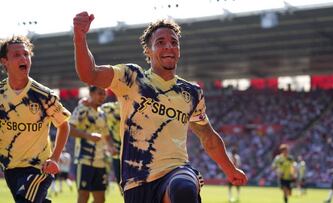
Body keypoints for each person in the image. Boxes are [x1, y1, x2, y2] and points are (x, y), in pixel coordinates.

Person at [73, 11, 248, 203]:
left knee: (184, 187)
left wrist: (230, 170)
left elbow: (208, 137)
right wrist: (80, 38)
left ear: (179, 50)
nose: (169, 47)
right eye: (161, 42)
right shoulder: (132, 77)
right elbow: (90, 74)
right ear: (148, 51)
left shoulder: (192, 93)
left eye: (174, 42)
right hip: (137, 182)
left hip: (176, 170)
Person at [0, 35, 70, 202]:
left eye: (26, 54)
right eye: (17, 55)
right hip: (11, 167)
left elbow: (63, 125)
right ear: (5, 62)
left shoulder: (43, 95)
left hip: (40, 167)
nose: (24, 58)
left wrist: (54, 158)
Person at [69, 86, 112, 203]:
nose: (102, 96)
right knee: (84, 196)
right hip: (84, 160)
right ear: (91, 94)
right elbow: (69, 129)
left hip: (101, 162)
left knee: (100, 199)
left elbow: (107, 135)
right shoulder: (82, 109)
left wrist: (111, 147)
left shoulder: (103, 114)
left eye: (104, 94)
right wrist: (88, 136)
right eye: (100, 93)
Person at [101, 101, 122, 192]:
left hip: (134, 154)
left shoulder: (136, 105)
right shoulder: (107, 108)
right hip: (116, 153)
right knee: (122, 187)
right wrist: (109, 145)